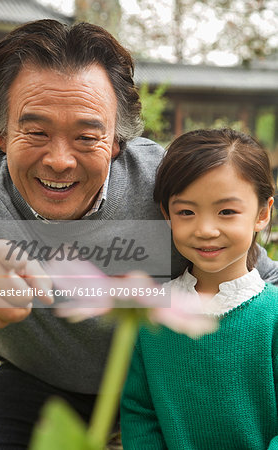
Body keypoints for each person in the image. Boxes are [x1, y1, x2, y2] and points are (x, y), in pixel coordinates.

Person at [0, 19, 276, 448]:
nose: (60, 160)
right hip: (34, 385)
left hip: (165, 383)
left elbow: (261, 279)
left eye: (86, 135)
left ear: (117, 141)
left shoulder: (171, 190)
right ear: (2, 134)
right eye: (37, 132)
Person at [121, 128, 278, 450]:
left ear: (262, 213)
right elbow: (139, 412)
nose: (206, 230)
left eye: (227, 212)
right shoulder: (150, 314)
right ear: (167, 214)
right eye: (186, 212)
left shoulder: (273, 317)